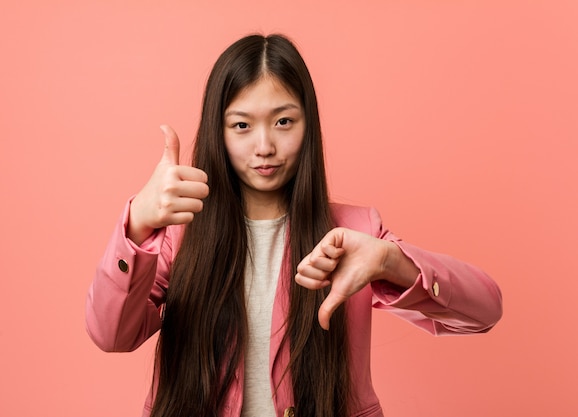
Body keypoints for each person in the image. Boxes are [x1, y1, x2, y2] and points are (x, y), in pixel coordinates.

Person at [85, 34, 503, 417]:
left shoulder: (354, 231)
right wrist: (136, 222)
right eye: (242, 126)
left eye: (283, 121)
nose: (264, 146)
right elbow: (111, 335)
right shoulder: (183, 234)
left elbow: (484, 311)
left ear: (309, 125)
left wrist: (390, 262)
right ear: (219, 131)